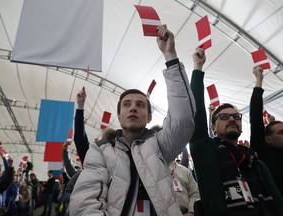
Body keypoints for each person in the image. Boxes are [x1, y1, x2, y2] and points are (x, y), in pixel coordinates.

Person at [69, 24, 196, 216]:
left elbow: (183, 119)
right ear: (119, 116)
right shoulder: (101, 150)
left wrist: (170, 55)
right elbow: (85, 203)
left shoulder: (160, 145)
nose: (133, 108)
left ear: (149, 117)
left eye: (140, 105)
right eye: (127, 104)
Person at [189, 47, 283, 216]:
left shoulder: (256, 162)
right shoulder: (206, 151)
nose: (232, 119)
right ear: (213, 128)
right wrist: (197, 67)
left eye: (236, 117)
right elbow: (195, 111)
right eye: (224, 117)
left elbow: (278, 202)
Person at [250, 66, 283, 194]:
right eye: (281, 133)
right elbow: (256, 117)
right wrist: (259, 80)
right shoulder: (263, 152)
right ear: (268, 139)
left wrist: (273, 123)